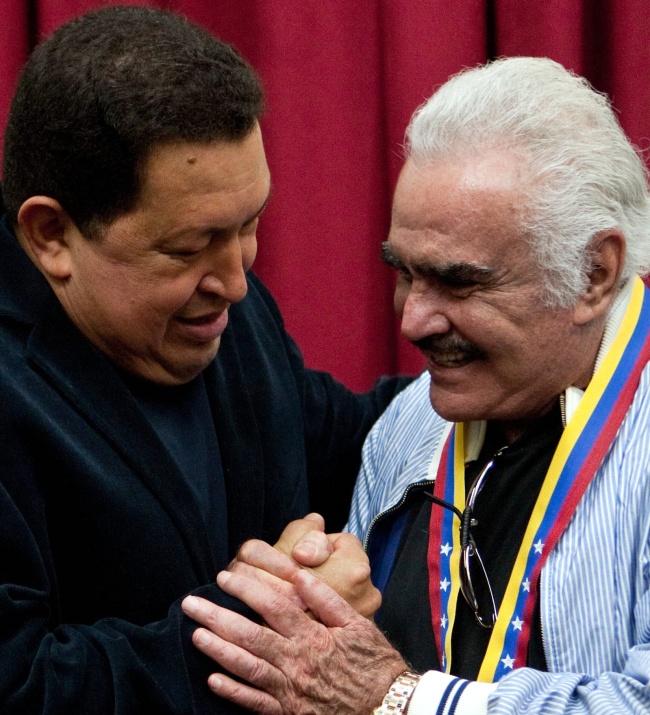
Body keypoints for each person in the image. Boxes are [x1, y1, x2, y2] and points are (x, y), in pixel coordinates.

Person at [180, 57, 650, 714]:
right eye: (405, 273)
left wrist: (398, 699)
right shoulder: (411, 421)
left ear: (594, 273)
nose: (413, 321)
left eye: (459, 282)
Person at [0, 5, 408, 713]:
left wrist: (503, 371)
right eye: (188, 248)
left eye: (249, 226)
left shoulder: (223, 310)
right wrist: (273, 624)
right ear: (51, 235)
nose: (237, 282)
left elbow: (347, 438)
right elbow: (19, 684)